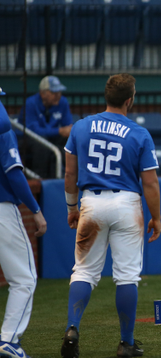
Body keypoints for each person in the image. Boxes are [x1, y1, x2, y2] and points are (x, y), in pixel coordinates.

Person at [60, 74, 161, 358]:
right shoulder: (139, 133)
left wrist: (71, 208)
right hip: (127, 203)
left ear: (106, 96)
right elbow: (150, 183)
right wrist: (157, 217)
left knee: (83, 272)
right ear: (130, 99)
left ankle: (72, 328)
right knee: (127, 276)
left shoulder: (80, 127)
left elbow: (69, 173)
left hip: (91, 201)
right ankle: (126, 343)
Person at [0, 87, 47, 358]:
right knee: (24, 279)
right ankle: (9, 339)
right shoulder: (4, 131)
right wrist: (36, 209)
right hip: (2, 208)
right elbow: (15, 174)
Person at [19, 75, 73, 178]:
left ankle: (70, 176)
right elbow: (33, 131)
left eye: (59, 91)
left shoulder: (63, 102)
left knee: (71, 140)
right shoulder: (31, 103)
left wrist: (67, 131)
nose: (58, 95)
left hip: (52, 137)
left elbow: (68, 125)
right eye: (54, 92)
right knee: (41, 144)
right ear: (43, 94)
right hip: (29, 139)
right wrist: (59, 131)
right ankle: (40, 179)